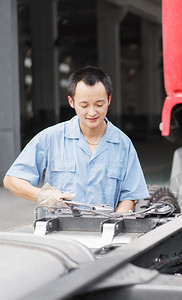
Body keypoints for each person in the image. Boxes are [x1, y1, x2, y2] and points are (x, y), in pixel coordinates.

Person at [3, 66, 149, 212]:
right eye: (84, 105)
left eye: (99, 104)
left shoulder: (123, 145)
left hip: (104, 232)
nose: (92, 112)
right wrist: (42, 195)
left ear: (109, 99)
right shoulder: (50, 138)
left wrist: (113, 224)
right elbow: (12, 180)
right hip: (57, 232)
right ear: (71, 102)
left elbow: (129, 196)